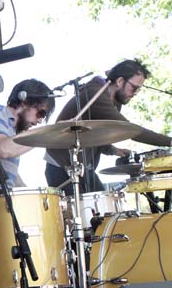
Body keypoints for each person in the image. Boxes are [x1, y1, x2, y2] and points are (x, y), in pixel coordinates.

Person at [45, 59, 172, 195]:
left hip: (81, 168)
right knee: (87, 213)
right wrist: (169, 142)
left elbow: (93, 133)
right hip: (62, 167)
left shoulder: (113, 100)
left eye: (138, 90)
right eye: (134, 88)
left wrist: (113, 150)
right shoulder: (96, 94)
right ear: (120, 81)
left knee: (104, 210)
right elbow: (129, 130)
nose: (135, 93)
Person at [0, 79, 55, 198]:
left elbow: (8, 175)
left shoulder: (12, 132)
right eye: (41, 113)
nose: (39, 120)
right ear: (25, 101)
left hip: (2, 200)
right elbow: (3, 149)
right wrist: (43, 134)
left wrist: (34, 196)